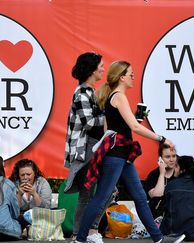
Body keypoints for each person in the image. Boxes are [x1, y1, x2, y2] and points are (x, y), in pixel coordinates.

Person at [75, 60, 182, 243]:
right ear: (122, 77)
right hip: (116, 155)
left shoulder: (114, 97)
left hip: (122, 156)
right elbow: (133, 127)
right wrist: (162, 139)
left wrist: (134, 120)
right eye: (131, 74)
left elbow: (115, 128)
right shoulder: (118, 97)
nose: (133, 77)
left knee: (139, 196)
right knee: (101, 197)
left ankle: (158, 239)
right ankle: (80, 239)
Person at [64, 52, 107, 242]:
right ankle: (81, 233)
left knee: (94, 191)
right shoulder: (82, 93)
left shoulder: (89, 91)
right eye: (100, 66)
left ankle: (83, 232)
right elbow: (88, 123)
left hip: (92, 145)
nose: (103, 69)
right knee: (88, 192)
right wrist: (110, 116)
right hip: (87, 146)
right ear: (91, 70)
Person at [8, 159, 52, 227]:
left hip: (39, 219)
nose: (25, 177)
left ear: (35, 173)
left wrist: (34, 194)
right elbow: (12, 211)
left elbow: (46, 208)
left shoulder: (42, 183)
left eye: (28, 174)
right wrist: (19, 195)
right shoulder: (13, 184)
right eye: (22, 175)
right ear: (18, 175)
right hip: (18, 221)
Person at [143, 143, 179, 218]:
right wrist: (162, 174)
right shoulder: (153, 175)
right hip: (158, 215)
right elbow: (156, 196)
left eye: (174, 156)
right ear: (160, 159)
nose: (172, 160)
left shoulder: (180, 174)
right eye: (167, 157)